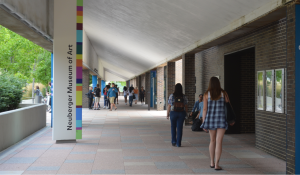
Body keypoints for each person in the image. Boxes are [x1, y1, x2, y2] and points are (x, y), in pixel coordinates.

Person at [200, 77, 235, 171]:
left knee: (212, 141)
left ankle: (211, 162)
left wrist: (204, 122)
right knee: (219, 141)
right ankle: (217, 164)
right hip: (221, 119)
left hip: (211, 120)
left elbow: (204, 109)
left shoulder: (207, 94)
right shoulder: (224, 93)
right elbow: (229, 105)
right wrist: (231, 119)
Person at [167, 83, 188, 147]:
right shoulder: (184, 96)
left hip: (173, 113)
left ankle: (173, 141)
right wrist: (186, 113)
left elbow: (169, 106)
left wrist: (167, 114)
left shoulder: (172, 96)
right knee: (179, 128)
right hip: (181, 113)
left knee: (173, 127)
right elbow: (186, 106)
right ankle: (178, 143)